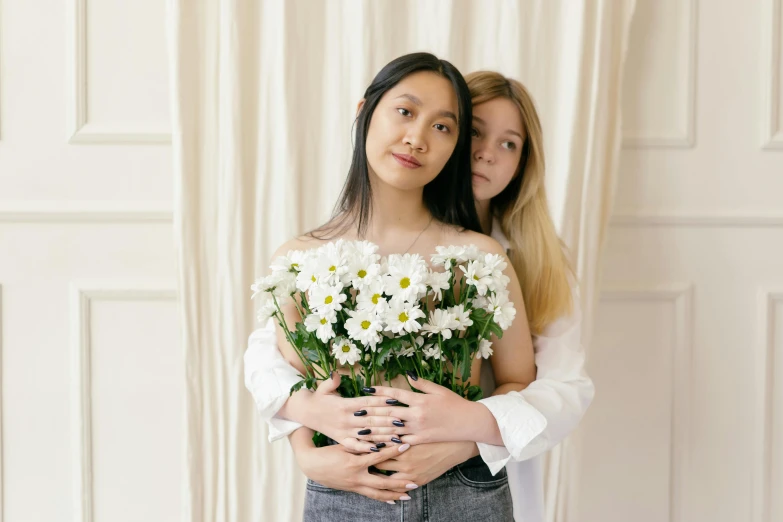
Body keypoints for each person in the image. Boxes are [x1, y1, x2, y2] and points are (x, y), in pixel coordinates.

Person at [245, 62, 593, 521]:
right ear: (366, 112)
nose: (417, 138)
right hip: (345, 493)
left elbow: (544, 385)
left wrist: (462, 438)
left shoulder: (486, 258)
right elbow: (277, 364)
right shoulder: (302, 257)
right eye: (405, 112)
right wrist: (305, 445)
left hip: (466, 484)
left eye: (443, 127)